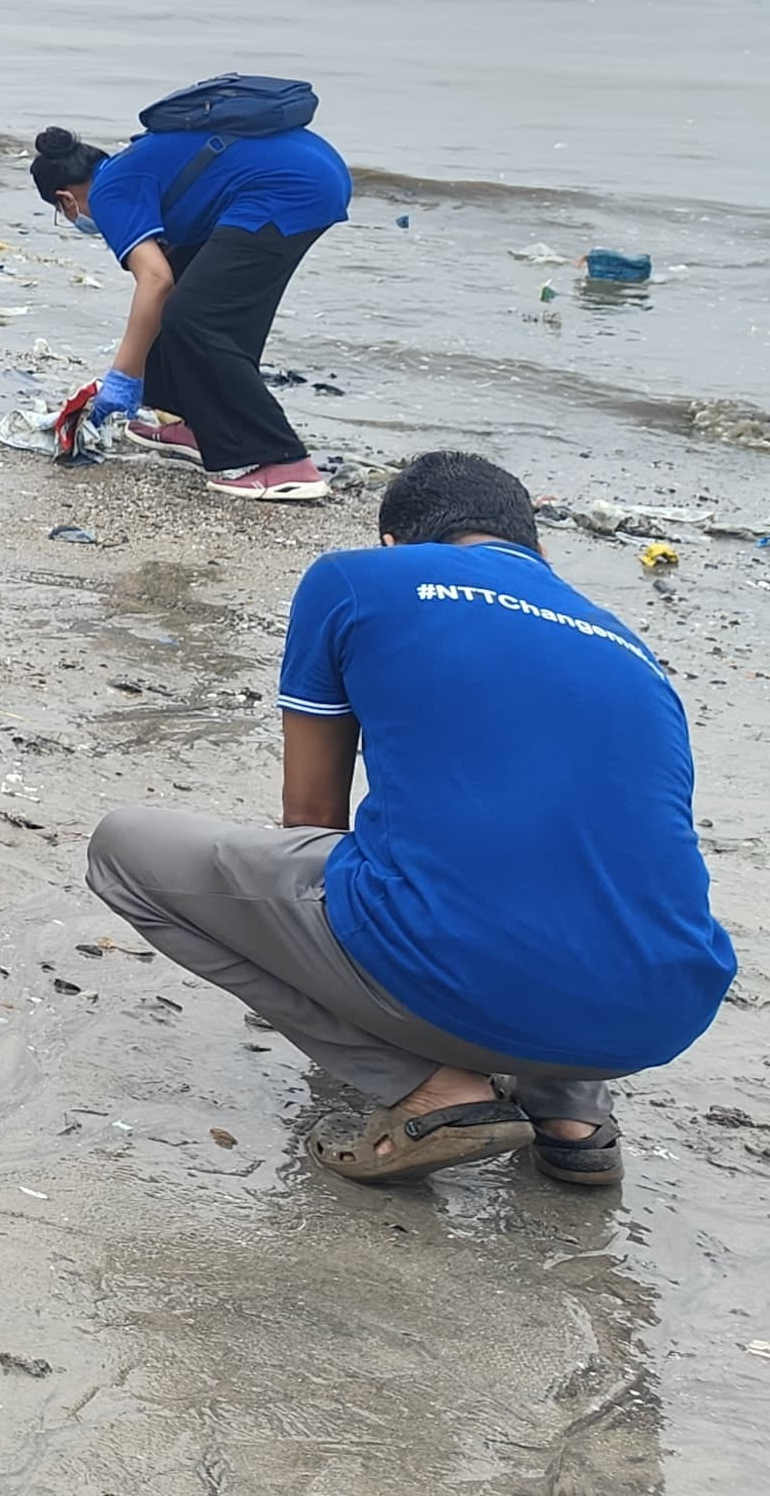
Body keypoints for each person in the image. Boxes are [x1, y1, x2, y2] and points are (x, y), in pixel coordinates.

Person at [84, 450, 731, 1189]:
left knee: (124, 853)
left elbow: (311, 818)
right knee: (570, 865)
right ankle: (571, 1116)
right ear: (540, 554)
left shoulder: (358, 578)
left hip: (472, 970)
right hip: (662, 1012)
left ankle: (434, 1087)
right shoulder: (629, 646)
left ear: (396, 543)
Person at [32, 101, 351, 500]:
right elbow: (168, 273)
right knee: (188, 292)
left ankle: (284, 459)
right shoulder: (128, 166)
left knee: (195, 317)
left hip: (291, 188)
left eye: (64, 212)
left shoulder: (109, 192)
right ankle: (196, 423)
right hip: (311, 169)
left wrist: (122, 377)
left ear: (66, 199)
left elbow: (154, 280)